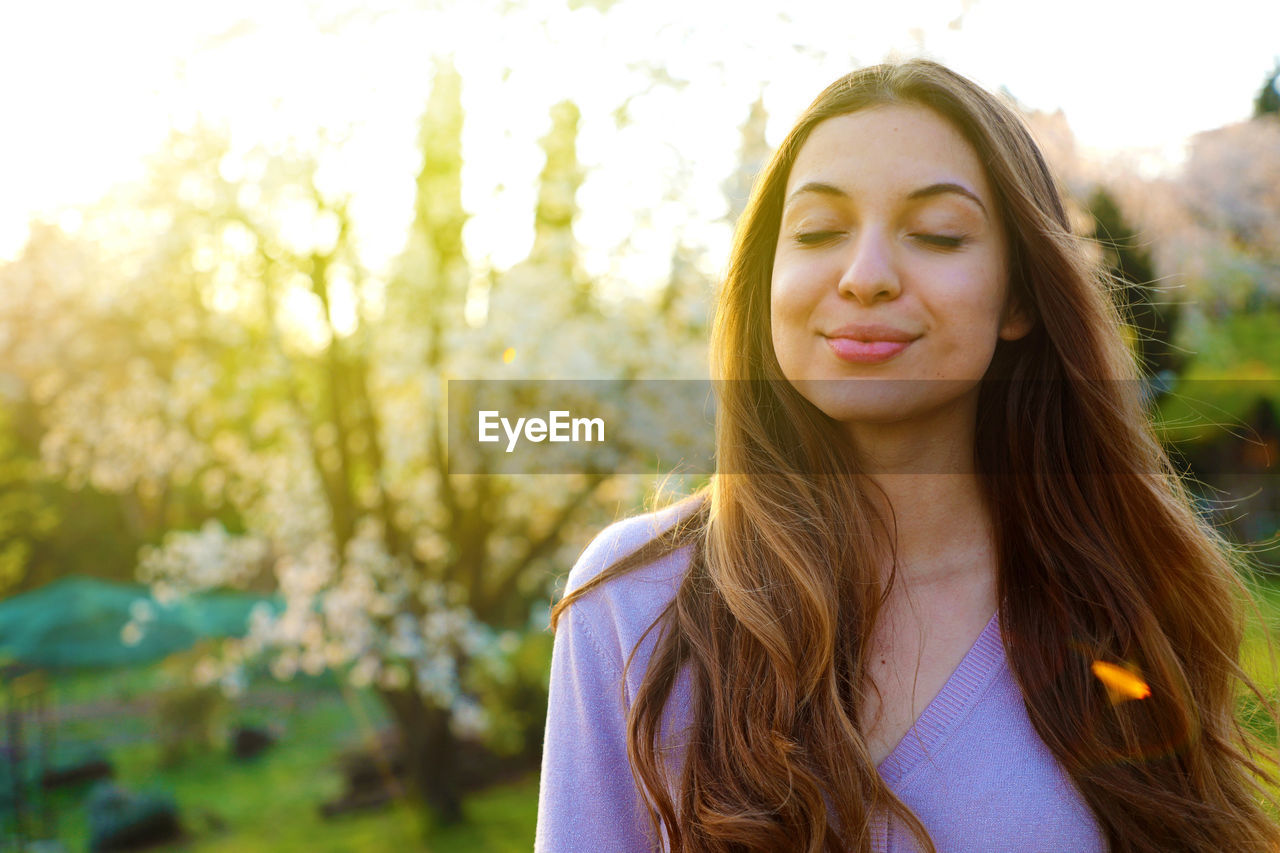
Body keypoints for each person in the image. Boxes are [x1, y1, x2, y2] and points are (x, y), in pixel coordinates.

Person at [535, 59, 1280, 852]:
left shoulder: (1121, 598)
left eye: (937, 235)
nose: (865, 278)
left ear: (1020, 295)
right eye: (820, 231)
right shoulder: (635, 602)